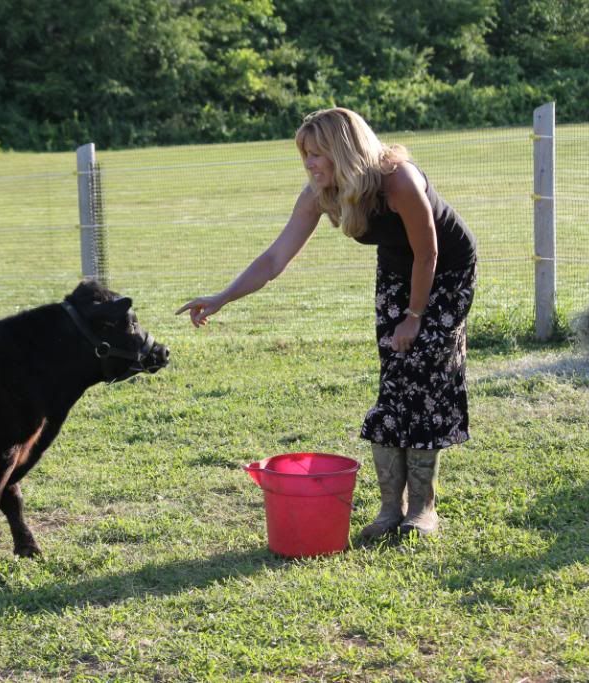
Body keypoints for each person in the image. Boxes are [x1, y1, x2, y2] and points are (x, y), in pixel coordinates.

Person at [176, 107, 477, 537]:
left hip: (445, 271)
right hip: (397, 272)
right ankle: (391, 509)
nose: (310, 164)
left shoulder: (399, 181)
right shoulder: (321, 192)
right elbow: (274, 258)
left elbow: (428, 254)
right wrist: (222, 297)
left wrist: (414, 318)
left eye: (318, 154)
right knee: (395, 376)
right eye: (305, 155)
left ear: (345, 150)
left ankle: (423, 508)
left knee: (426, 372)